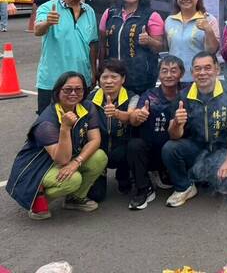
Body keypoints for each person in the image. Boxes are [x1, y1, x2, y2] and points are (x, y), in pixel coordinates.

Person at [7, 72, 108, 220]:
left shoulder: (87, 106)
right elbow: (62, 159)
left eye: (78, 89)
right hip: (39, 166)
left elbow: (95, 140)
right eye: (67, 90)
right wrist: (65, 128)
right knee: (73, 179)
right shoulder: (46, 123)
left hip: (66, 159)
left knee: (99, 157)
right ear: (57, 92)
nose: (73, 93)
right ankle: (36, 198)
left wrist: (76, 162)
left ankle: (74, 199)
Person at [161, 52, 227, 207]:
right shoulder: (183, 96)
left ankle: (210, 176)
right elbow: (173, 136)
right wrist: (177, 123)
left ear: (217, 69)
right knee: (170, 148)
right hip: (196, 148)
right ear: (192, 72)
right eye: (198, 69)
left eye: (207, 68)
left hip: (222, 150)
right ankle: (184, 187)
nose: (203, 73)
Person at [33, 0, 99, 113]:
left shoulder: (89, 11)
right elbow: (38, 30)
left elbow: (93, 43)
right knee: (49, 125)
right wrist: (47, 23)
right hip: (52, 82)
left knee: (80, 123)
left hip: (81, 82)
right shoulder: (48, 8)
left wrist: (93, 72)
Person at [126, 55, 183, 210]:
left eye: (173, 71)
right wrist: (138, 116)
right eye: (164, 71)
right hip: (151, 150)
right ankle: (143, 188)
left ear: (182, 74)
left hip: (173, 150)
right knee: (134, 145)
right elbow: (134, 119)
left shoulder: (186, 94)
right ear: (158, 74)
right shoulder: (149, 95)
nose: (169, 75)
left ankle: (172, 175)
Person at [98, 0, 164, 95]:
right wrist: (100, 69)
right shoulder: (110, 13)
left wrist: (149, 40)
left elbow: (159, 46)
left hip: (140, 80)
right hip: (112, 78)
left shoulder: (152, 16)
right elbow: (102, 44)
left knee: (136, 112)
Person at [87, 59, 137, 202]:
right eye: (104, 77)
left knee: (134, 146)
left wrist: (116, 114)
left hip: (122, 151)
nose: (109, 81)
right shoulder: (89, 100)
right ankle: (98, 172)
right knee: (96, 196)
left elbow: (131, 116)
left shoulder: (132, 97)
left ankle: (124, 175)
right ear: (99, 80)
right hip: (99, 151)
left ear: (123, 79)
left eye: (114, 77)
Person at [165, 0, 220, 81]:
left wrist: (208, 30)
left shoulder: (209, 19)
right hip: (175, 79)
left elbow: (212, 51)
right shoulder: (169, 20)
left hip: (200, 78)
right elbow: (169, 48)